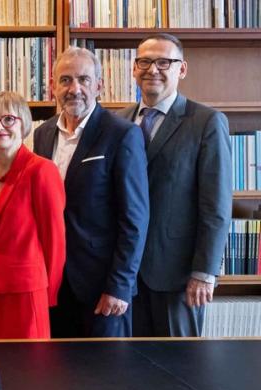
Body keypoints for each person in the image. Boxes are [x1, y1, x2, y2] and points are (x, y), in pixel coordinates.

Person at [116, 34, 231, 337]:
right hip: (124, 276)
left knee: (179, 373)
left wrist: (204, 272)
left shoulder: (205, 121)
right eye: (144, 61)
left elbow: (216, 205)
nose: (152, 69)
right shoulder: (119, 122)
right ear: (134, 68)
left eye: (164, 61)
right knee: (127, 373)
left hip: (178, 277)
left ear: (182, 69)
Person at [33, 47, 150, 338]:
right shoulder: (42, 134)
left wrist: (119, 286)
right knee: (56, 376)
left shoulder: (121, 134)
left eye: (84, 80)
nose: (75, 89)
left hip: (102, 287)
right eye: (65, 80)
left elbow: (134, 218)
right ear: (52, 87)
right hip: (52, 284)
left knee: (104, 378)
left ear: (99, 85)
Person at [0, 91, 66, 339]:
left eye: (9, 119)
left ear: (24, 123)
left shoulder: (42, 170)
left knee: (27, 370)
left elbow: (55, 240)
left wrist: (49, 294)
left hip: (24, 292)